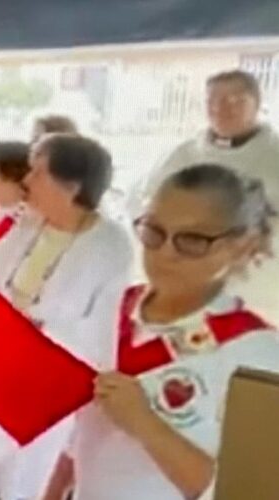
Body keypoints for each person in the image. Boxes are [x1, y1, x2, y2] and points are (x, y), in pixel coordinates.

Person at [43, 164, 279, 500]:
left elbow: (249, 490)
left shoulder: (256, 354)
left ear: (243, 245)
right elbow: (79, 439)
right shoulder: (111, 308)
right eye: (154, 232)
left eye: (193, 240)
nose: (165, 253)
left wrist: (145, 425)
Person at [0, 134, 133, 500]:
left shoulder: (111, 245)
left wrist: (37, 332)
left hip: (48, 387)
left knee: (24, 479)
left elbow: (102, 335)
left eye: (38, 172)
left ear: (72, 186)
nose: (26, 180)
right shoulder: (30, 223)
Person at [134, 69, 279, 323]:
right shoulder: (182, 155)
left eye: (235, 101)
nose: (222, 108)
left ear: (256, 104)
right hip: (182, 288)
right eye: (213, 101)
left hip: (260, 290)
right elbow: (143, 203)